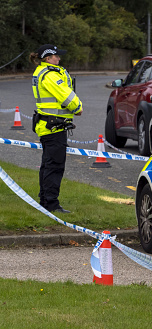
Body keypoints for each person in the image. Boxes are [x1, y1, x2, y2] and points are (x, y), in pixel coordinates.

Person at [29, 44, 83, 213]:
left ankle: (45, 201)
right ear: (47, 58)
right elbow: (65, 95)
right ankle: (51, 204)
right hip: (54, 127)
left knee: (47, 165)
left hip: (48, 125)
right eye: (56, 56)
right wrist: (78, 107)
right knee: (55, 166)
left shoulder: (42, 71)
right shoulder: (51, 75)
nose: (59, 58)